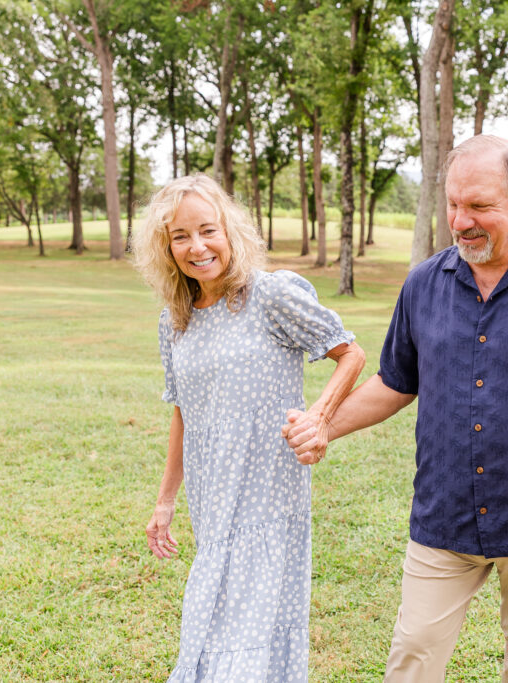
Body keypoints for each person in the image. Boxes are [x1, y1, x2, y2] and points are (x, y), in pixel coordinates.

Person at [283, 135, 508, 681]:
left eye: (479, 206)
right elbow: (395, 382)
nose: (461, 220)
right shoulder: (424, 283)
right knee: (413, 656)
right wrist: (322, 425)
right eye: (454, 204)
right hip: (444, 515)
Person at [133, 174, 365, 682]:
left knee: (248, 633)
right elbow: (183, 412)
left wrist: (319, 418)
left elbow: (350, 352)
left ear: (230, 231)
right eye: (180, 236)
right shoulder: (174, 320)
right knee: (210, 624)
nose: (197, 247)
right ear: (165, 248)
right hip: (213, 500)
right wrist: (165, 501)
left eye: (207, 230)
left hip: (267, 496)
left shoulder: (270, 295)